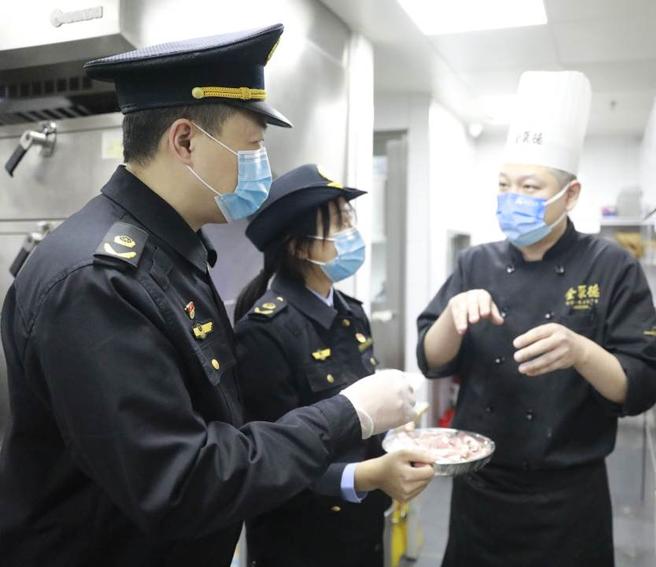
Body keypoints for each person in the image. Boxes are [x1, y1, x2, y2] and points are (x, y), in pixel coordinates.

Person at [0, 25, 415, 567]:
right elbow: (180, 484)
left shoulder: (171, 255)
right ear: (186, 140)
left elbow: (217, 429)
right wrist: (350, 413)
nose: (261, 166)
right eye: (253, 146)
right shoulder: (97, 280)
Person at [416, 71, 656, 566]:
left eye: (530, 187)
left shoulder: (611, 266)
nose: (513, 198)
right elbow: (431, 360)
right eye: (505, 185)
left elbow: (642, 386)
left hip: (569, 502)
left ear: (570, 195)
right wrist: (451, 316)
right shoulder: (476, 263)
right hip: (480, 493)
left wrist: (581, 351)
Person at [233, 164, 435, 567]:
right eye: (338, 224)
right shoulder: (264, 331)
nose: (350, 234)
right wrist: (371, 475)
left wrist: (397, 429)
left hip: (361, 526)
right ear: (298, 246)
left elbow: (360, 415)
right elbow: (270, 461)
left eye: (349, 220)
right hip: (300, 539)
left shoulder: (352, 314)